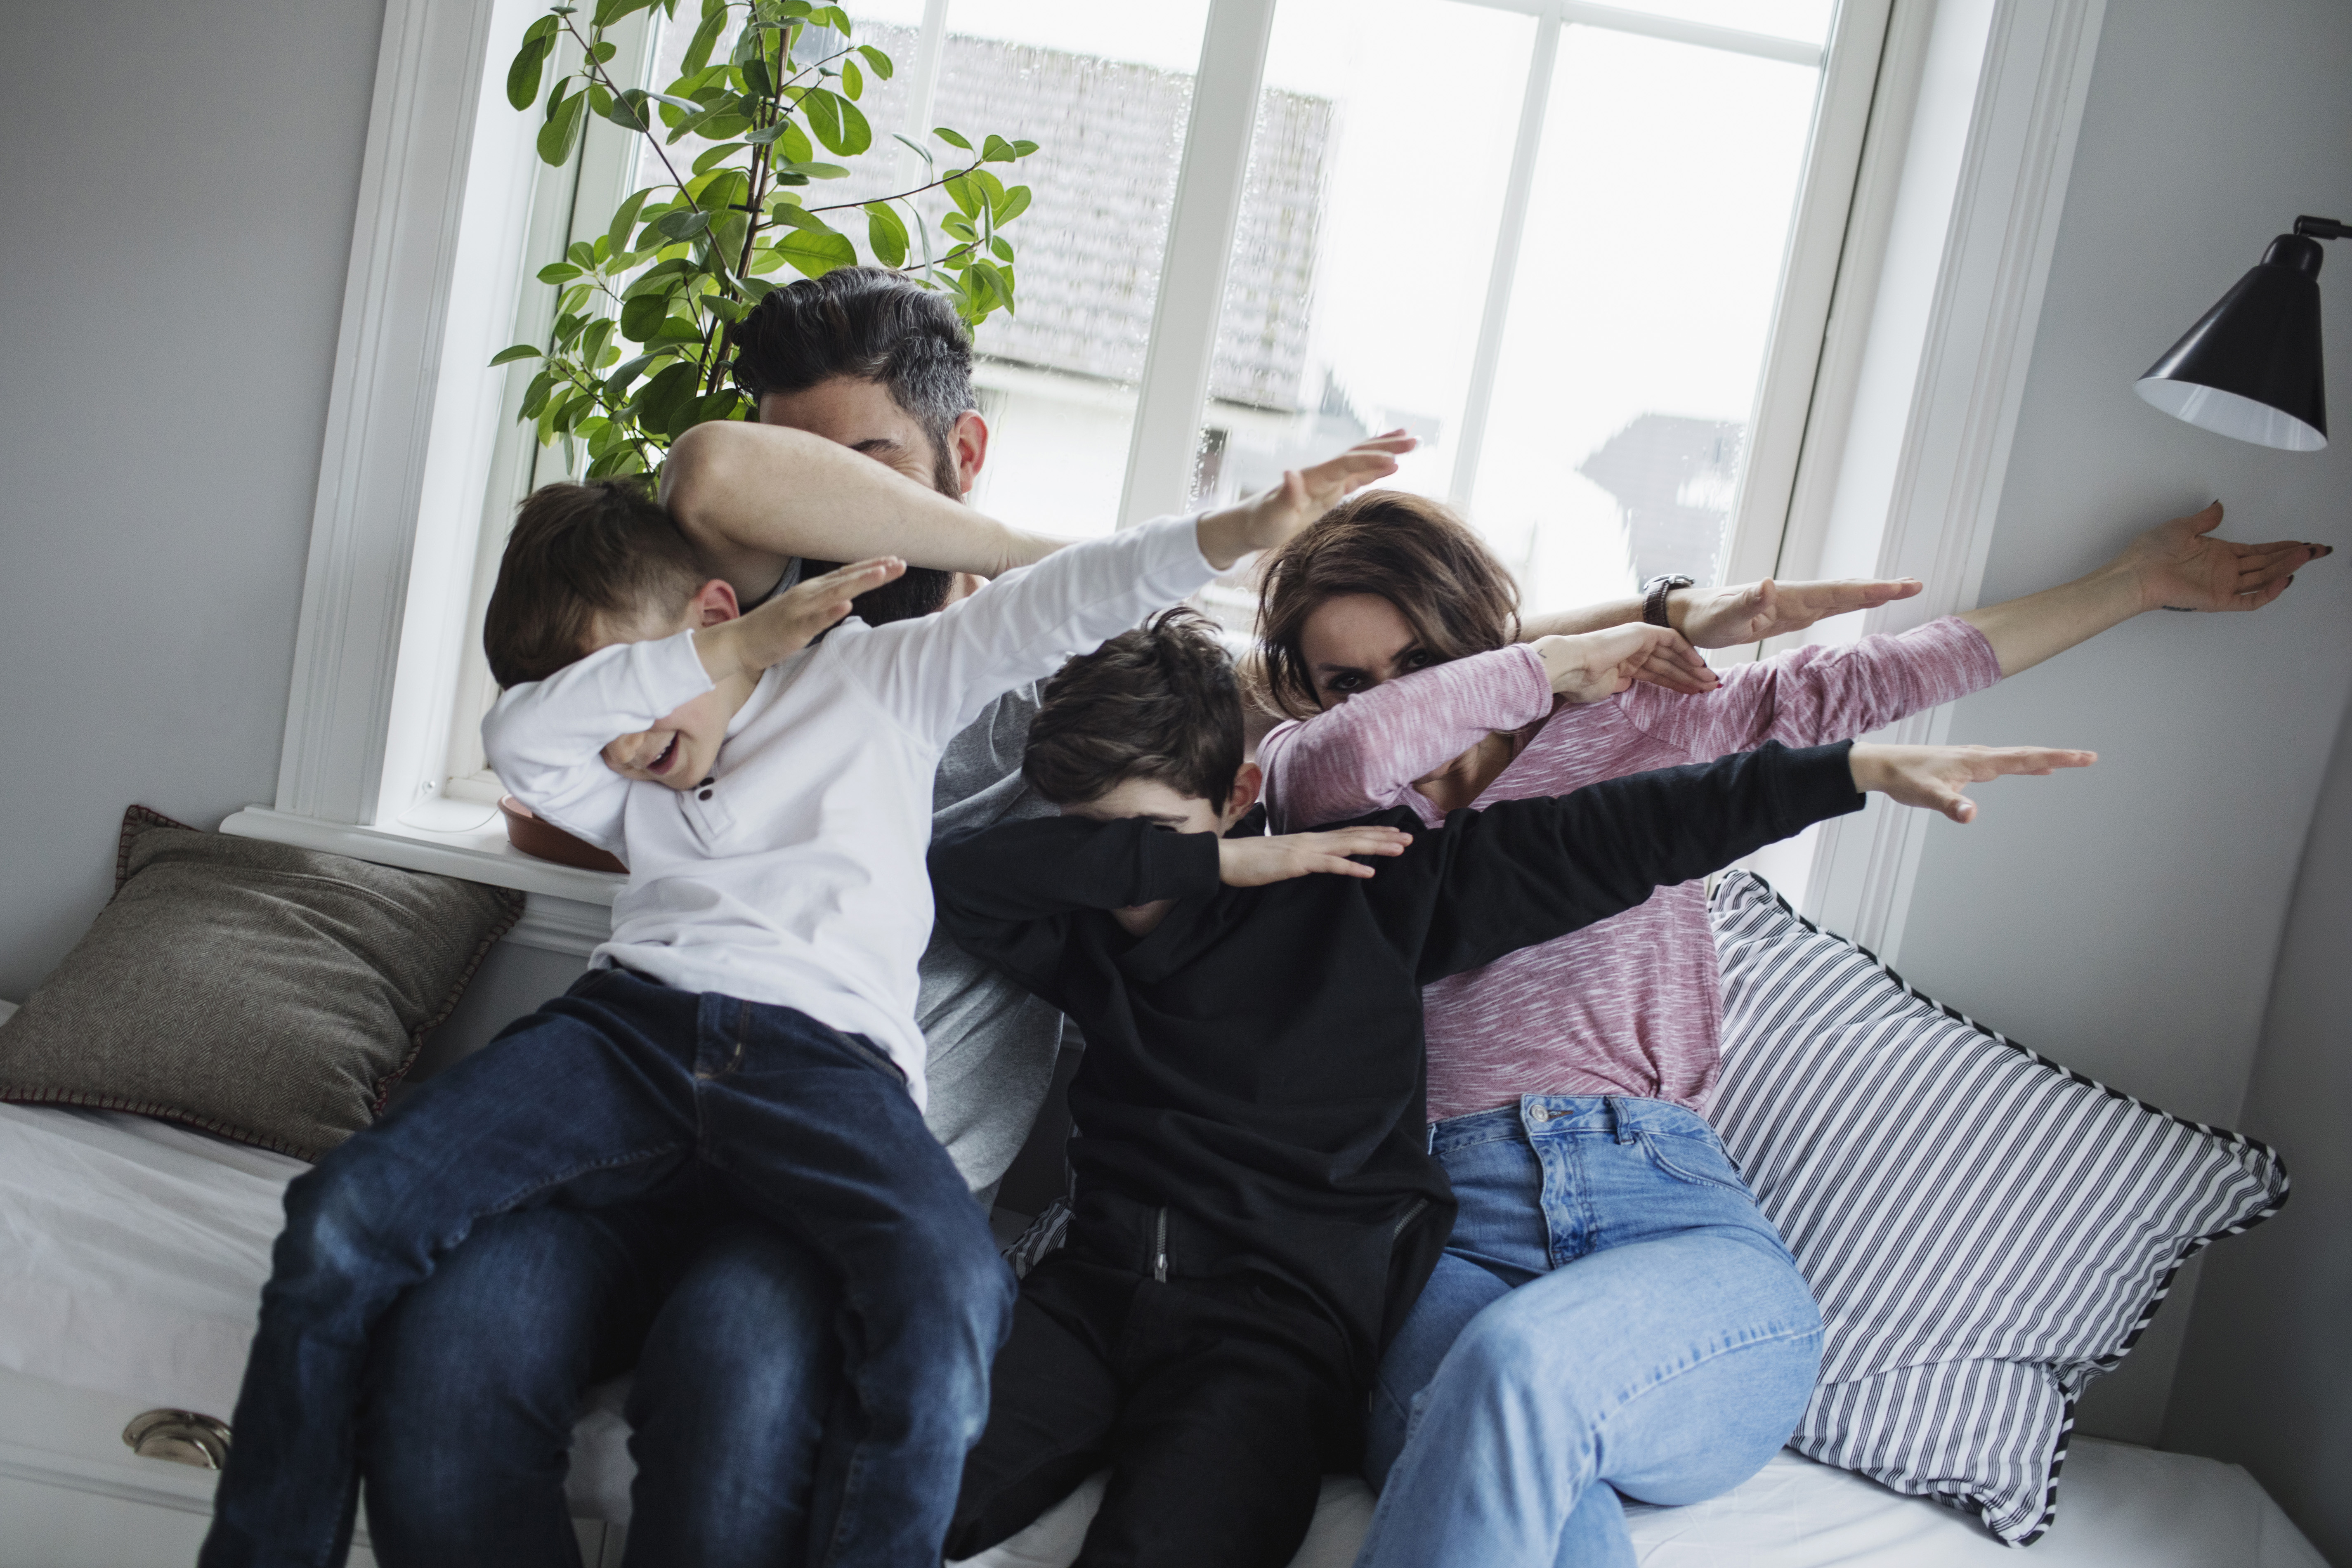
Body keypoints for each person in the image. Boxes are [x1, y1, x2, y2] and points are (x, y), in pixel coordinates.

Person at [199, 412, 1404, 1568]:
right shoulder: (634, 773)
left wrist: (1235, 533)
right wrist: (705, 665)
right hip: (629, 1038)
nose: (624, 739)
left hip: (819, 1067)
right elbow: (524, 741)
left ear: (716, 606)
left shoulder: (880, 681)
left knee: (950, 1294)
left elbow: (1064, 601)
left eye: (636, 684)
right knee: (344, 1217)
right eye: (610, 703)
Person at [1245, 489, 2326, 1568]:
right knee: (1518, 1437)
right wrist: (1588, 641)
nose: (1395, 698)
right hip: (1444, 1237)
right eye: (1349, 681)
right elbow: (1353, 743)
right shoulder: (1324, 792)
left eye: (1423, 658)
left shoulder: (1638, 726)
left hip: (1670, 1221)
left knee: (1518, 1368)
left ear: (1477, 634)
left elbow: (1888, 675)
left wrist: (2132, 583)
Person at [928, 609, 2092, 1568]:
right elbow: (962, 873)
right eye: (1093, 848)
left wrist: (1845, 772)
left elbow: (1612, 836)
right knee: (896, 1479)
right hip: (1105, 1296)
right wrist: (1205, 859)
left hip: (1282, 1334)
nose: (1117, 885)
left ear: (1236, 791)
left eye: (1147, 839)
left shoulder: (1363, 892)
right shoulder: (1089, 928)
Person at [352, 269, 1088, 1566]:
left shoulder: (1061, 707)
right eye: (808, 476)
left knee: (730, 1375)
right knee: (455, 1343)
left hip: (839, 1195)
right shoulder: (729, 647)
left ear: (962, 456)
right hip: (643, 1130)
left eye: (869, 470)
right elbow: (704, 475)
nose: (836, 520)